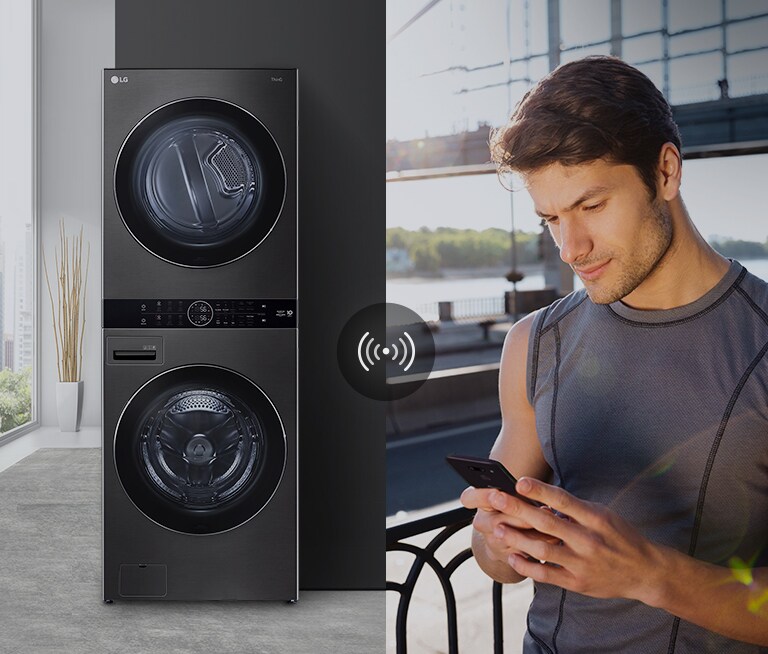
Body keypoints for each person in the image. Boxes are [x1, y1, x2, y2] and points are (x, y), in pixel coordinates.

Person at [460, 55, 768, 652]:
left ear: (665, 172)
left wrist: (651, 576)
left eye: (591, 206)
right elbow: (493, 559)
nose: (570, 247)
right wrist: (498, 538)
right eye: (551, 219)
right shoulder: (533, 342)